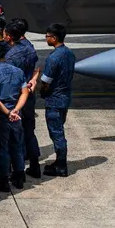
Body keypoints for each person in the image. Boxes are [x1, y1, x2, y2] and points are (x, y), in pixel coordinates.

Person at [0, 41, 29, 191]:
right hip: (16, 116)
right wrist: (16, 110)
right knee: (17, 146)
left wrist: (7, 112)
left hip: (2, 115)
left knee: (2, 149)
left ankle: (4, 180)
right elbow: (24, 92)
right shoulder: (18, 71)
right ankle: (19, 177)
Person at [4, 19, 41, 178]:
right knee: (29, 132)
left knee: (12, 134)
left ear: (9, 37)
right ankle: (34, 165)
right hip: (29, 97)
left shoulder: (11, 55)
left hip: (16, 98)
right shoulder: (30, 49)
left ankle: (14, 169)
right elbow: (35, 69)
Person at [39, 23, 76, 177]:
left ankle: (61, 165)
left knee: (57, 133)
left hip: (54, 100)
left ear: (54, 38)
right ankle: (59, 162)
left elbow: (46, 81)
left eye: (47, 36)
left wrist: (43, 93)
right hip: (65, 97)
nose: (46, 39)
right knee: (59, 129)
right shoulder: (69, 54)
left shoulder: (54, 58)